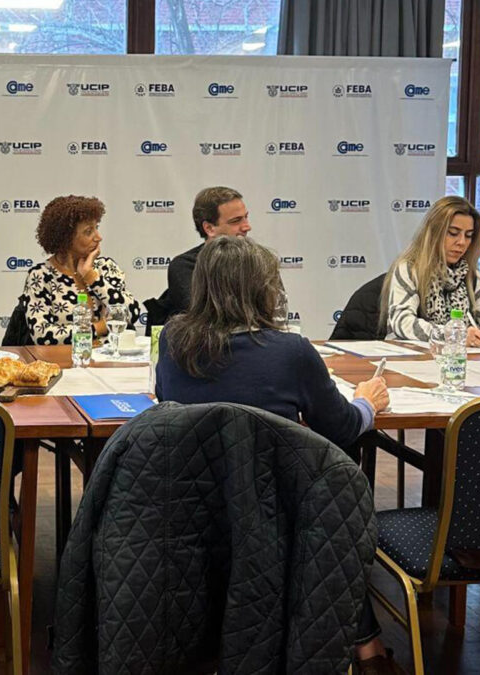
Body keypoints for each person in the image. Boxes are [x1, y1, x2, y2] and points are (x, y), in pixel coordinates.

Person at [155, 235, 400, 674]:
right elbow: (341, 428)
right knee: (331, 527)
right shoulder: (290, 351)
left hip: (187, 509)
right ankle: (369, 651)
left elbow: (168, 401)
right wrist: (367, 402)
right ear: (263, 288)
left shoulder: (173, 342)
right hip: (274, 513)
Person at [381, 196, 480, 347]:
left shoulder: (470, 274)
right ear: (433, 233)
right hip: (411, 358)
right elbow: (402, 321)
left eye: (468, 235)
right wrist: (450, 335)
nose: (461, 242)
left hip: (457, 358)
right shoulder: (409, 268)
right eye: (453, 233)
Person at [21, 195, 140, 345]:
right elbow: (43, 335)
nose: (99, 237)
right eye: (88, 232)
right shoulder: (40, 276)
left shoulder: (106, 267)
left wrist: (92, 277)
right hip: (65, 362)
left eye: (97, 228)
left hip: (109, 360)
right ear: (66, 238)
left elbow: (131, 312)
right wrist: (98, 328)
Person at [164, 186, 252, 317]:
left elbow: (274, 311)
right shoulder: (185, 266)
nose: (247, 227)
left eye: (246, 217)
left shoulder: (259, 261)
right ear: (209, 228)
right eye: (236, 221)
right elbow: (201, 318)